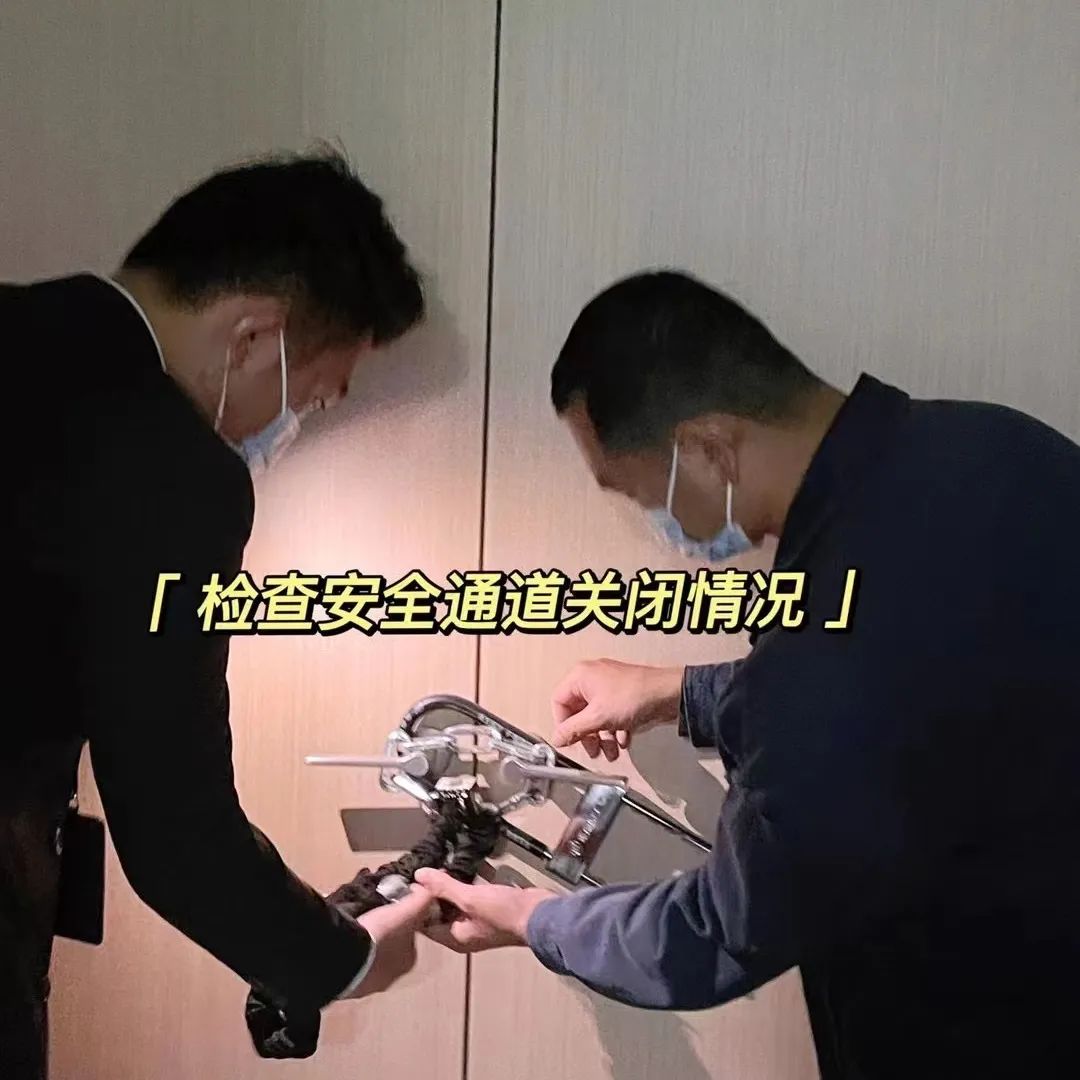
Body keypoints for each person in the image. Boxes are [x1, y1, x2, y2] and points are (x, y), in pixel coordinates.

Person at [416, 270, 1080, 1079]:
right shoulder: (1005, 449)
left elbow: (718, 933)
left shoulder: (818, 660)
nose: (655, 524)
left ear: (708, 449)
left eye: (638, 494)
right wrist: (682, 692)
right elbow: (925, 690)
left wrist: (536, 919)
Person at [3, 149, 437, 1080]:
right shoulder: (170, 470)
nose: (287, 426)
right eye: (310, 395)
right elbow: (176, 833)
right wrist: (345, 959)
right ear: (251, 337)